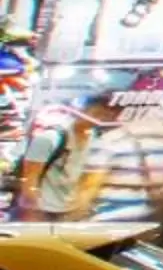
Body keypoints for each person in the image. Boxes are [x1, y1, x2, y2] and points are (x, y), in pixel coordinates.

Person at [14, 88, 121, 220]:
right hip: (41, 210)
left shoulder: (97, 142)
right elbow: (29, 178)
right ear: (84, 109)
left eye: (107, 115)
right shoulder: (50, 137)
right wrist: (31, 213)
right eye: (98, 112)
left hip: (69, 212)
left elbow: (89, 180)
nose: (99, 118)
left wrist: (79, 210)